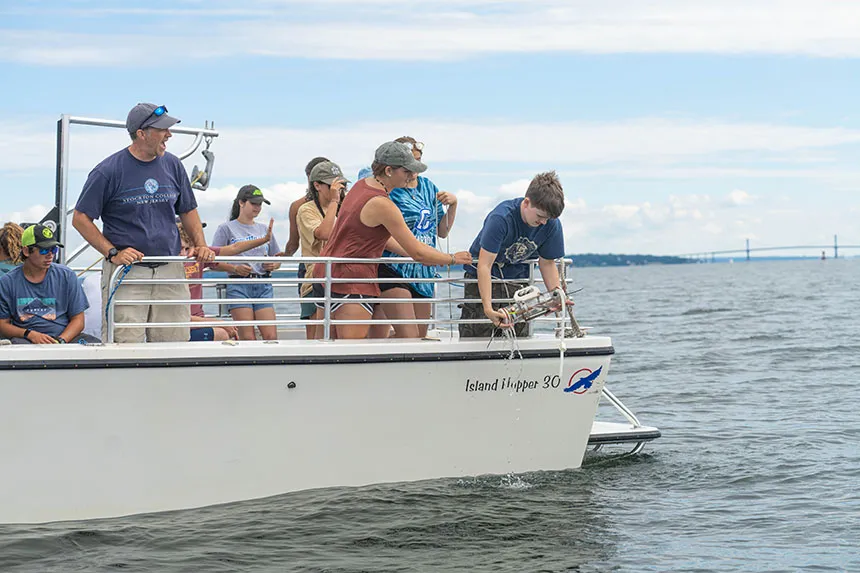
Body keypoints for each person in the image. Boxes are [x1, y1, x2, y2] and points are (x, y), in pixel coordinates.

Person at [72, 103, 214, 343]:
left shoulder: (173, 165)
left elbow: (188, 210)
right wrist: (113, 252)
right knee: (125, 346)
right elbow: (80, 218)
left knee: (175, 343)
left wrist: (201, 244)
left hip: (170, 270)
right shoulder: (108, 170)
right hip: (129, 273)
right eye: (162, 129)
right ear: (141, 133)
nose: (169, 134)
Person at [312, 141, 471, 340]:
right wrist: (452, 259)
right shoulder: (382, 204)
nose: (412, 176)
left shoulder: (360, 186)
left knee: (323, 345)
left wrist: (420, 254)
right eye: (407, 171)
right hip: (351, 279)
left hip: (327, 273)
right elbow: (418, 251)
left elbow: (389, 241)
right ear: (388, 170)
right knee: (349, 352)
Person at [369, 137, 459, 339]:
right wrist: (415, 251)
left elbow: (441, 231)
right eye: (410, 164)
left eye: (417, 161)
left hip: (423, 270)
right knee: (408, 335)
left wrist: (453, 206)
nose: (414, 169)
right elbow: (380, 233)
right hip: (395, 267)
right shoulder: (389, 190)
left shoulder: (428, 187)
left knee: (419, 335)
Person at [458, 171, 566, 338]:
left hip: (519, 283)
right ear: (526, 203)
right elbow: (484, 265)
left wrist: (556, 295)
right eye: (540, 216)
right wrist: (488, 308)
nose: (543, 222)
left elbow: (547, 263)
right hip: (484, 279)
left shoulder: (551, 224)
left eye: (548, 219)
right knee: (478, 335)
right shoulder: (501, 218)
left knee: (519, 336)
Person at [0, 224, 97, 344]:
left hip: (65, 338)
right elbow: (3, 325)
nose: (50, 255)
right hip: (26, 340)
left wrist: (60, 341)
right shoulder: (7, 282)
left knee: (96, 346)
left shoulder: (67, 276)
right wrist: (29, 334)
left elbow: (78, 320)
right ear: (26, 251)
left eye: (54, 249)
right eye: (44, 250)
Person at [179, 219, 274, 341]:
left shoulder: (198, 256)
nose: (183, 254)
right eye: (180, 249)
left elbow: (234, 248)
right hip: (183, 323)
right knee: (224, 333)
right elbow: (177, 316)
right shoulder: (168, 266)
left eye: (188, 249)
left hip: (196, 321)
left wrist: (264, 239)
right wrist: (218, 322)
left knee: (229, 332)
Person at [212, 185, 281, 341]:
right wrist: (234, 268)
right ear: (241, 203)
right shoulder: (226, 228)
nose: (257, 208)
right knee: (247, 337)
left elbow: (277, 258)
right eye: (254, 203)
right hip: (239, 285)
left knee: (271, 336)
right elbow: (213, 261)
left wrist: (273, 265)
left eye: (260, 204)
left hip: (263, 284)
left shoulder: (264, 229)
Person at [296, 160, 347, 339]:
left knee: (341, 334)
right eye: (331, 186)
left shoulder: (345, 208)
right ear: (316, 185)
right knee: (316, 336)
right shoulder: (306, 210)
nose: (337, 190)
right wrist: (334, 201)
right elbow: (324, 233)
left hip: (342, 279)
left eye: (340, 185)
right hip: (315, 280)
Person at [284, 157, 330, 257]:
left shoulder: (297, 206)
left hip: (311, 260)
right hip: (331, 262)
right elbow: (293, 243)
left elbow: (293, 243)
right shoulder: (298, 206)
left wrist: (285, 256)